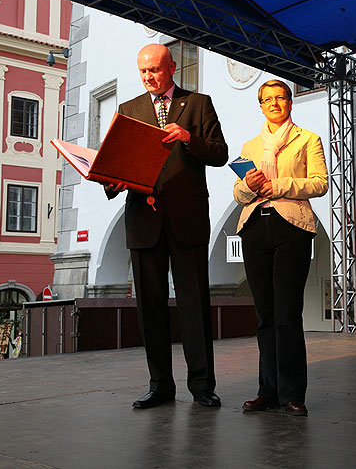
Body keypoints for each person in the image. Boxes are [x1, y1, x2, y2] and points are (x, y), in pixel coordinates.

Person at [106, 43, 228, 409]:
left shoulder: (198, 104)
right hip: (144, 219)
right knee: (151, 307)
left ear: (172, 67)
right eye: (143, 71)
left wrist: (189, 139)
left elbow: (220, 153)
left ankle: (202, 385)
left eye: (155, 70)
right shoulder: (128, 110)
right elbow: (118, 161)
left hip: (186, 218)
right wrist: (110, 179)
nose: (149, 77)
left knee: (194, 304)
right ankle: (160, 385)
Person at [232, 80, 328, 416]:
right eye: (267, 99)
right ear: (260, 105)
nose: (274, 103)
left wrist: (279, 185)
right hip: (255, 227)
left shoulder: (307, 139)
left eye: (280, 97)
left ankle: (291, 393)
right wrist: (248, 184)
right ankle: (267, 391)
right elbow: (238, 195)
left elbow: (320, 183)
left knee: (287, 315)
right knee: (265, 317)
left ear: (290, 102)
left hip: (292, 226)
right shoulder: (250, 146)